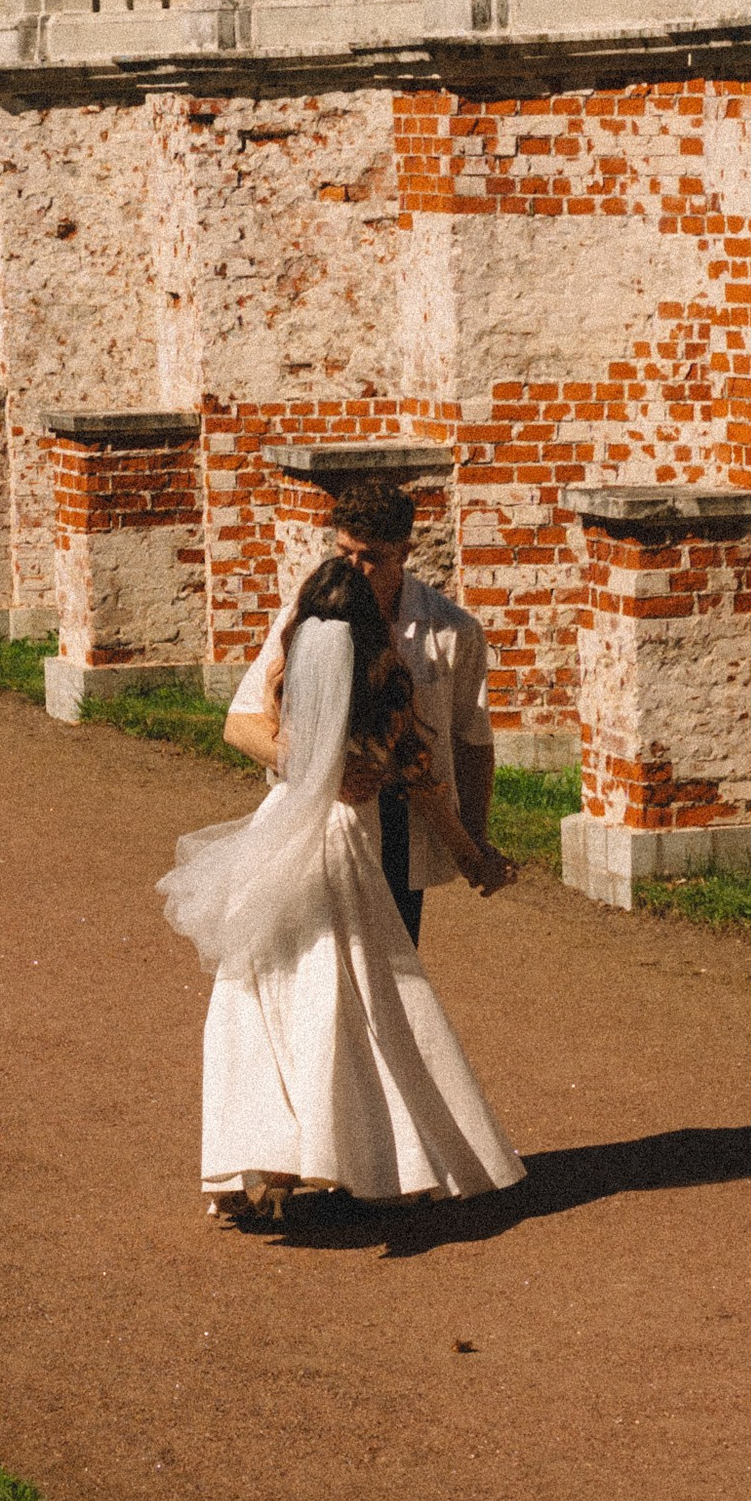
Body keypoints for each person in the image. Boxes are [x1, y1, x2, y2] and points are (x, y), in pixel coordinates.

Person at [160, 554, 523, 1225]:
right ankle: (377, 1155)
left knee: (260, 993)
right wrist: (475, 857)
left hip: (279, 837)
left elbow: (262, 736)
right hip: (346, 847)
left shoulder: (286, 674)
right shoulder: (389, 690)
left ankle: (261, 1155)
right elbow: (425, 790)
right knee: (360, 999)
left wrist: (309, 766)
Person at [222, 477, 503, 943]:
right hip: (314, 820)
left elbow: (471, 741)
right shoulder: (309, 614)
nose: (354, 568)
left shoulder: (453, 631)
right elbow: (240, 723)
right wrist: (327, 771)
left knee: (390, 966)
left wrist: (474, 840)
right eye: (344, 552)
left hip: (399, 828)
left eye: (370, 558)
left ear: (405, 552)